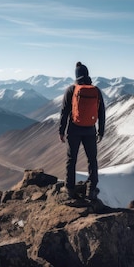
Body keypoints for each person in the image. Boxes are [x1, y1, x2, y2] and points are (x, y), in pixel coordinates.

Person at [59, 62, 106, 200]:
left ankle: (70, 189)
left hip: (74, 129)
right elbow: (101, 112)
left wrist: (61, 131)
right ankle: (91, 190)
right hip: (90, 130)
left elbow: (64, 112)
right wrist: (101, 131)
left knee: (71, 159)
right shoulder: (96, 90)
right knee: (92, 160)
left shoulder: (71, 90)